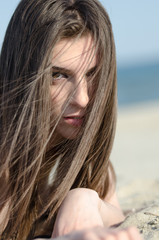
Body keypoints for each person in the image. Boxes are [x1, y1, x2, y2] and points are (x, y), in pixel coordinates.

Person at [0, 0, 143, 239]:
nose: (84, 99)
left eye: (92, 74)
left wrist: (84, 199)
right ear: (25, 76)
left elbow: (113, 210)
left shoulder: (82, 154)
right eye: (58, 75)